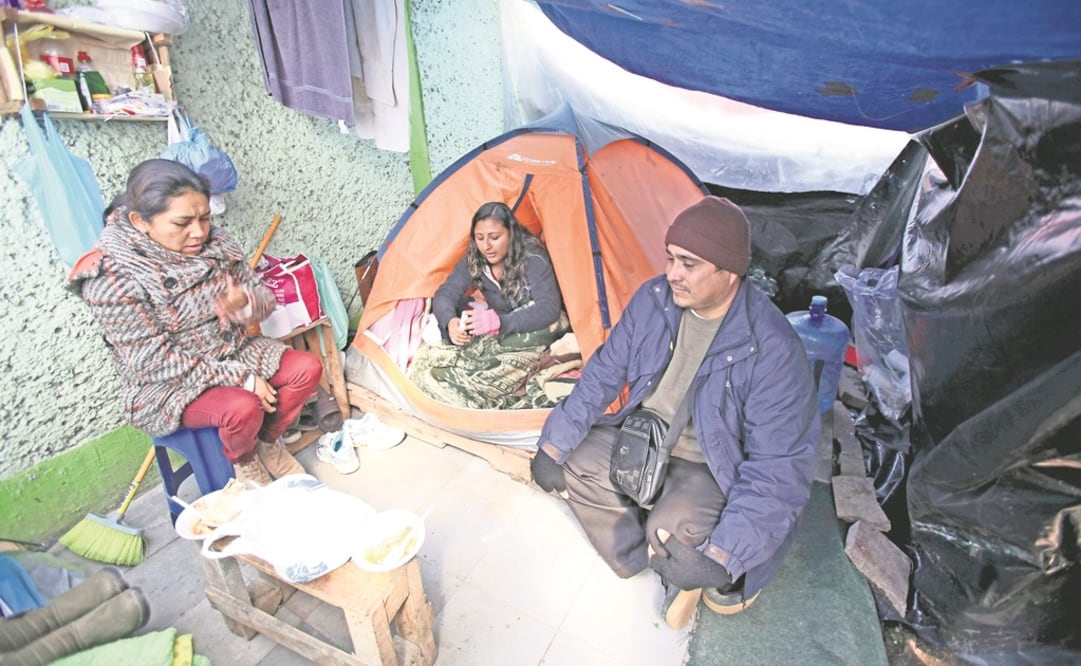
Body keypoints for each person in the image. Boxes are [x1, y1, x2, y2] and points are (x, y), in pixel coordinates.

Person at [529, 195, 819, 628]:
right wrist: (554, 446)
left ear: (729, 272)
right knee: (574, 462)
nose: (672, 274)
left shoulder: (772, 349)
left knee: (673, 531)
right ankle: (641, 558)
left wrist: (722, 558)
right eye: (670, 258)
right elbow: (604, 373)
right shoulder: (654, 300)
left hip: (711, 463)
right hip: (645, 437)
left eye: (689, 264)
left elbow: (779, 468)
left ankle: (672, 542)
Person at [68, 159, 323, 486]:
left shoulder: (216, 244)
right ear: (140, 221)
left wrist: (245, 304)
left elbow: (265, 301)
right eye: (182, 222)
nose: (199, 231)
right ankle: (245, 461)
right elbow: (151, 361)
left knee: (306, 369)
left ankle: (266, 442)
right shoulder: (110, 277)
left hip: (233, 352)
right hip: (169, 380)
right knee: (242, 407)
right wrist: (244, 379)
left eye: (205, 217)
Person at [432, 201, 563, 345]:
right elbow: (445, 293)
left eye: (494, 237)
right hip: (502, 323)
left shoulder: (533, 256)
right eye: (479, 238)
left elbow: (549, 307)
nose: (486, 246)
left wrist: (500, 322)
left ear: (511, 234)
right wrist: (450, 321)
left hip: (531, 324)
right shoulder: (475, 258)